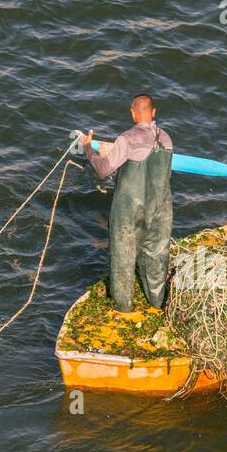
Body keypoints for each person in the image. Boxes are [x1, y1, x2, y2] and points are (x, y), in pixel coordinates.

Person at [79, 94, 174, 314]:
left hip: (129, 209)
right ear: (154, 112)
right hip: (160, 208)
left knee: (123, 257)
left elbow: (103, 170)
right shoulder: (167, 139)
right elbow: (164, 174)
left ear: (132, 113)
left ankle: (124, 308)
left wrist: (88, 148)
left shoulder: (128, 138)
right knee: (157, 257)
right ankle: (157, 305)